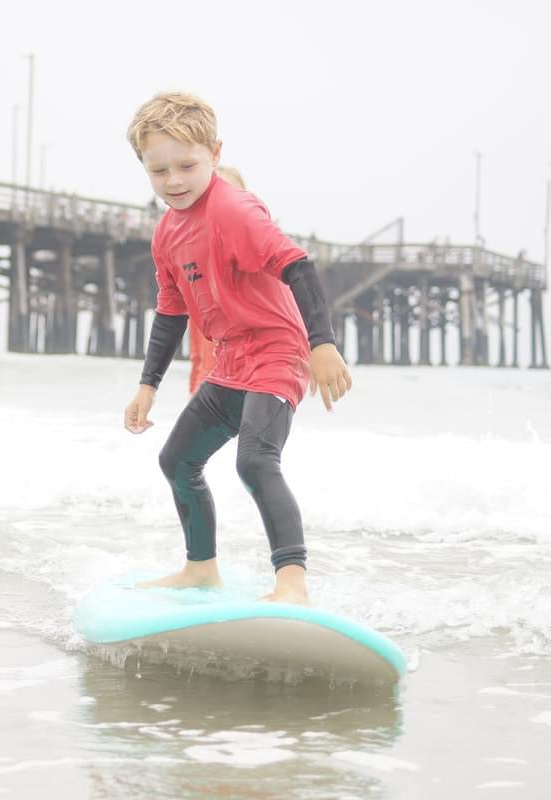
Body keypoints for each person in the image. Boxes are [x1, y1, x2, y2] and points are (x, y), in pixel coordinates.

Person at [122, 91, 352, 605]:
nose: (174, 181)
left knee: (255, 462)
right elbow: (171, 311)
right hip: (230, 361)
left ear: (215, 154)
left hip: (276, 352)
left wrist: (322, 345)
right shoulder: (166, 232)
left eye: (187, 165)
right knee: (177, 461)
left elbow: (299, 266)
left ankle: (292, 583)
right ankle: (201, 570)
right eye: (159, 171)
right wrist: (147, 385)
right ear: (144, 167)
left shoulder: (234, 209)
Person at [187, 164, 245, 394]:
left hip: (251, 388)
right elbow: (197, 354)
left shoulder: (257, 260)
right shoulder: (195, 269)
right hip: (209, 392)